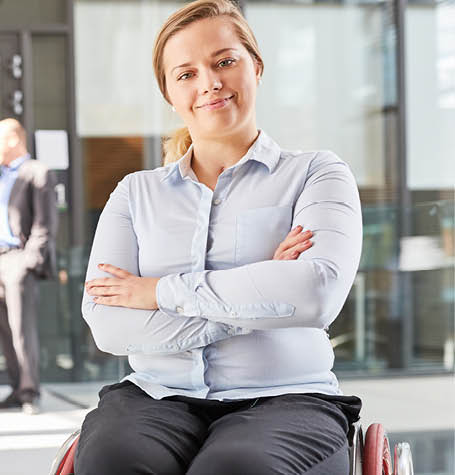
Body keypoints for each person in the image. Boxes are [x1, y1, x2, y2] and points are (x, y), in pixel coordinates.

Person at [75, 1, 363, 473]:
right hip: (155, 396)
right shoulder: (135, 193)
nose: (209, 82)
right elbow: (109, 326)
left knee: (235, 467)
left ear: (257, 67)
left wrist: (158, 293)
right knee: (113, 459)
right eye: (185, 73)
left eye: (224, 62)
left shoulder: (316, 173)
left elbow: (314, 295)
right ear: (169, 93)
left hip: (287, 397)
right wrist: (260, 294)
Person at [0, 118, 58, 414]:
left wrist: (28, 261)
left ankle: (29, 392)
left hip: (19, 259)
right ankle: (17, 389)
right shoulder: (2, 177)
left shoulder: (38, 172)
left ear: (13, 140)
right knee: (5, 330)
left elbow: (46, 222)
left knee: (21, 329)